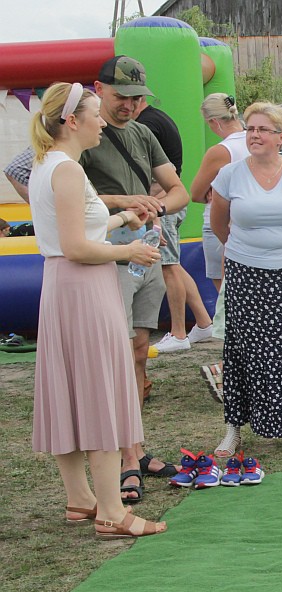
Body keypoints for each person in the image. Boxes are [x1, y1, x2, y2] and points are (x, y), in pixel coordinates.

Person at [27, 82, 165, 539]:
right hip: (83, 287)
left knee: (71, 392)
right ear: (72, 121)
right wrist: (130, 253)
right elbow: (76, 247)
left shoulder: (52, 165)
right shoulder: (66, 169)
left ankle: (80, 499)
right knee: (100, 392)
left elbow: (80, 228)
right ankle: (111, 512)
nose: (103, 120)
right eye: (95, 114)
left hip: (66, 287)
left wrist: (124, 219)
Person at [82, 55, 191, 501]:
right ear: (98, 88)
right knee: (119, 353)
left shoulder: (144, 133)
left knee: (140, 351)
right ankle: (126, 457)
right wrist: (123, 202)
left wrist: (155, 207)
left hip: (148, 251)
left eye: (136, 98)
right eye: (120, 97)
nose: (129, 105)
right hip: (109, 255)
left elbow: (180, 189)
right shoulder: (82, 131)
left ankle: (136, 448)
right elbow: (48, 186)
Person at [210, 102, 282, 456]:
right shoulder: (230, 175)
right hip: (246, 271)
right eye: (250, 129)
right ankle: (233, 428)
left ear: (281, 137)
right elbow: (220, 224)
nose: (254, 135)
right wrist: (245, 250)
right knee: (241, 348)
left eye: (262, 129)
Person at [135, 96, 214, 354]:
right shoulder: (158, 118)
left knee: (168, 268)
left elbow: (158, 175)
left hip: (163, 205)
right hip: (168, 204)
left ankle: (179, 333)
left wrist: (153, 209)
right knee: (174, 265)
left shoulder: (146, 125)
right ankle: (203, 321)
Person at [190, 92, 250, 404]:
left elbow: (196, 192)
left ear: (214, 122)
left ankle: (233, 373)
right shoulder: (255, 141)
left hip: (222, 226)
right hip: (251, 227)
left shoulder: (221, 150)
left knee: (228, 306)